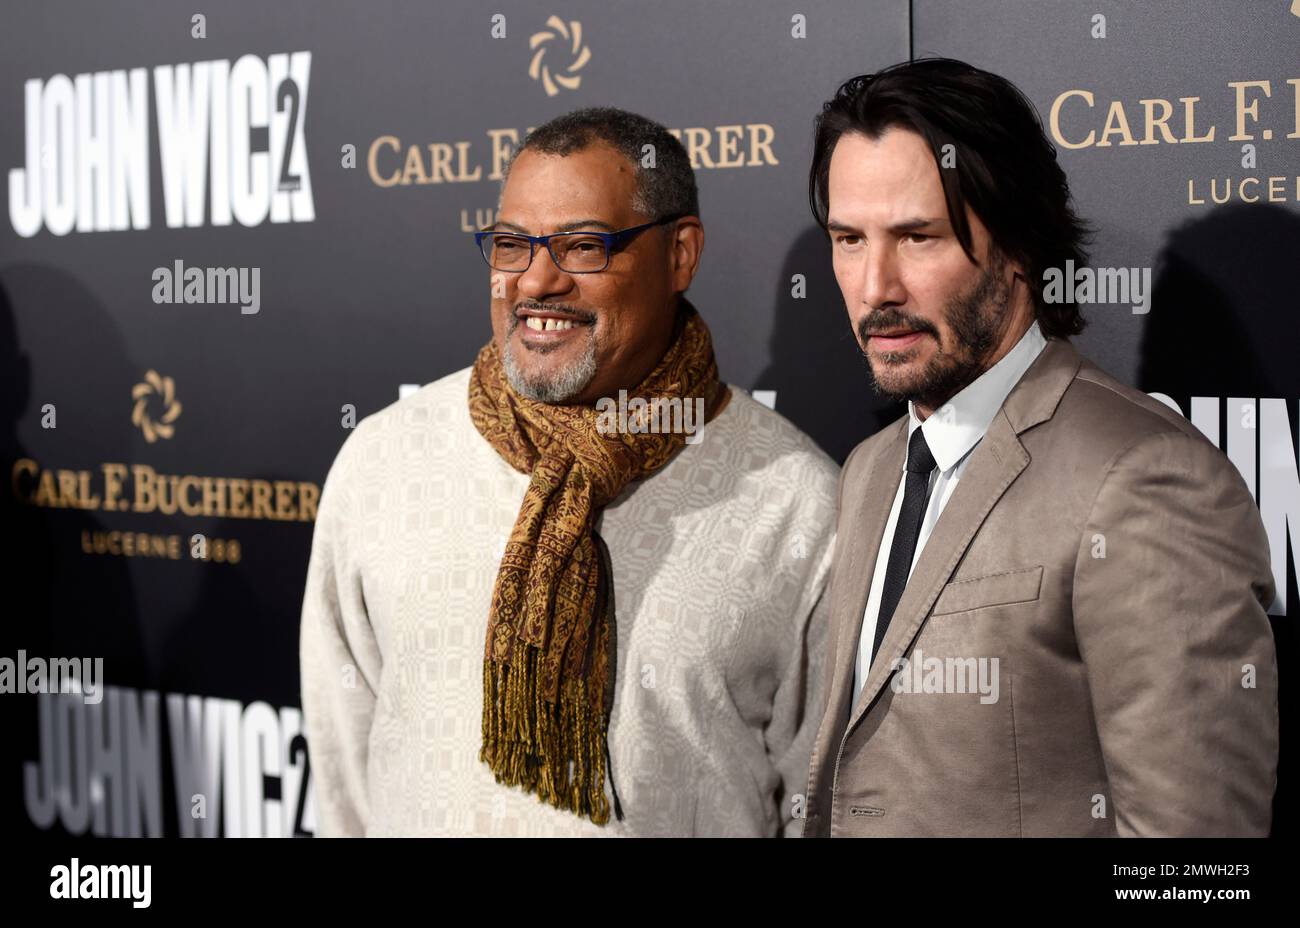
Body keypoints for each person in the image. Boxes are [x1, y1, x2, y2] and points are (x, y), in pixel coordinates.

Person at [301, 107, 838, 836]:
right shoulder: (384, 462)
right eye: (512, 245)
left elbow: (822, 801)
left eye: (584, 246)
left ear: (681, 254)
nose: (536, 282)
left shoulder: (795, 500)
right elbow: (343, 780)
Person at [801, 59, 1278, 837]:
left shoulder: (1146, 477)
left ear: (1020, 245)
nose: (874, 284)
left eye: (918, 238)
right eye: (849, 239)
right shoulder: (871, 469)